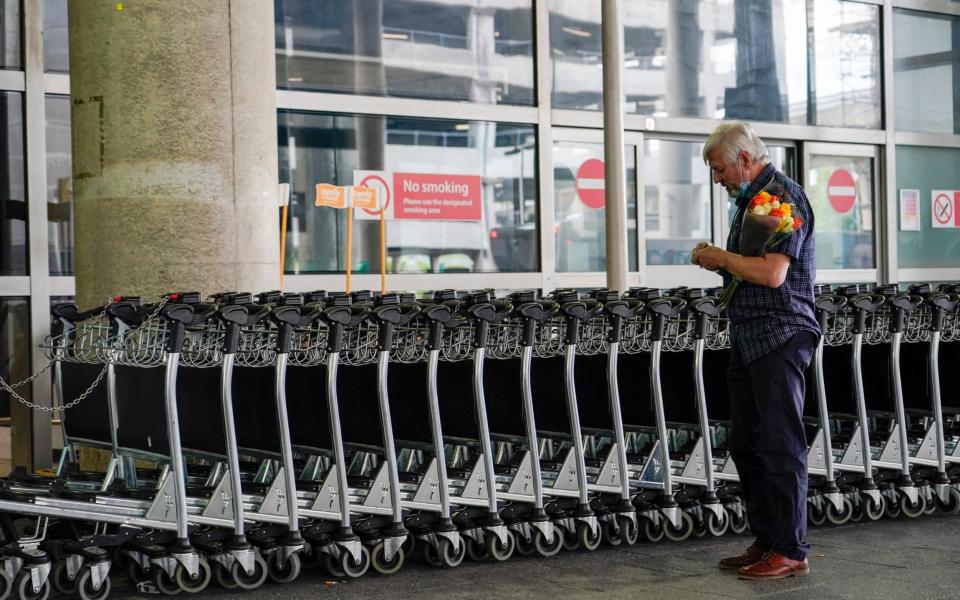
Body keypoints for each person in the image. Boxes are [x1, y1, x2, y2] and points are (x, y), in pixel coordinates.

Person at [692, 121, 821, 580]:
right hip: (751, 335)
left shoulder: (775, 198)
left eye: (720, 168)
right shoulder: (753, 199)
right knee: (746, 441)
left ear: (745, 159)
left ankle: (790, 548)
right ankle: (768, 540)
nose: (717, 178)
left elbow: (771, 274)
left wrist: (719, 258)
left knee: (780, 442)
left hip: (780, 334)